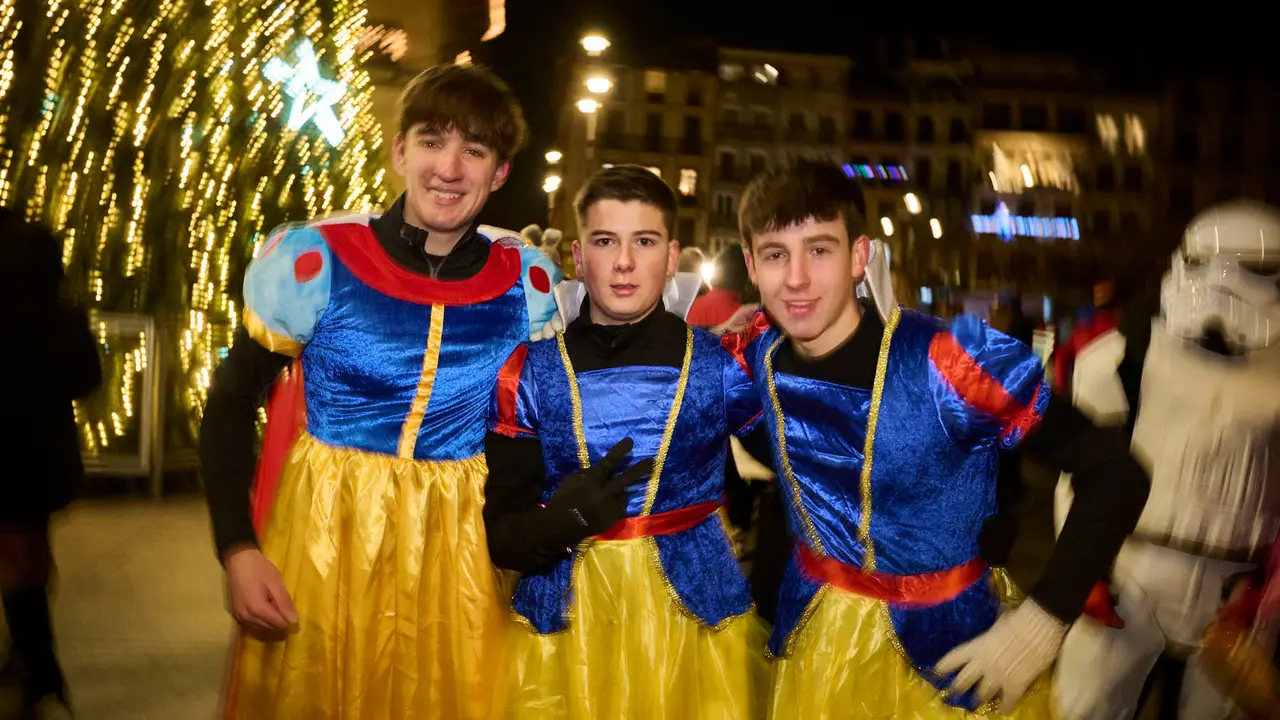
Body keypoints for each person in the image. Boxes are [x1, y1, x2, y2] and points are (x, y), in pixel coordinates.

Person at [722, 160, 1150, 718]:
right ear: (752, 266)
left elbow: (1117, 474)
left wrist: (1041, 623)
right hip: (814, 651)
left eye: (820, 249)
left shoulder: (950, 364)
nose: (797, 277)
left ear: (859, 257)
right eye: (776, 254)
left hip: (949, 666)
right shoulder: (757, 361)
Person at [201, 64, 560, 719]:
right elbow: (227, 404)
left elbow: (545, 425)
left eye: (474, 151)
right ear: (400, 152)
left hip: (458, 557)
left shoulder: (526, 285)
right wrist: (237, 547)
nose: (449, 168)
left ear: (500, 173)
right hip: (324, 540)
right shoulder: (318, 259)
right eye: (432, 141)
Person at [483, 164, 769, 719]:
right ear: (576, 254)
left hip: (695, 638)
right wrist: (558, 522)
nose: (623, 262)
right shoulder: (529, 375)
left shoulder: (723, 369)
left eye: (644, 241)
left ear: (670, 254)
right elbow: (500, 534)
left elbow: (817, 470)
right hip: (564, 642)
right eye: (605, 241)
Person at [1053, 201, 1280, 719]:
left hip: (1236, 592)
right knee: (1086, 709)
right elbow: (1081, 473)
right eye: (1209, 264)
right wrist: (1082, 569)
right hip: (1130, 568)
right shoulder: (1117, 356)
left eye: (1255, 269)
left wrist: (1268, 592)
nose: (1226, 286)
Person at [0, 209, 101, 720]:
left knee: (18, 557)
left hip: (18, 452)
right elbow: (87, 377)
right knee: (27, 554)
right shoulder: (59, 317)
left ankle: (34, 665)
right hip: (39, 451)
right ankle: (35, 664)